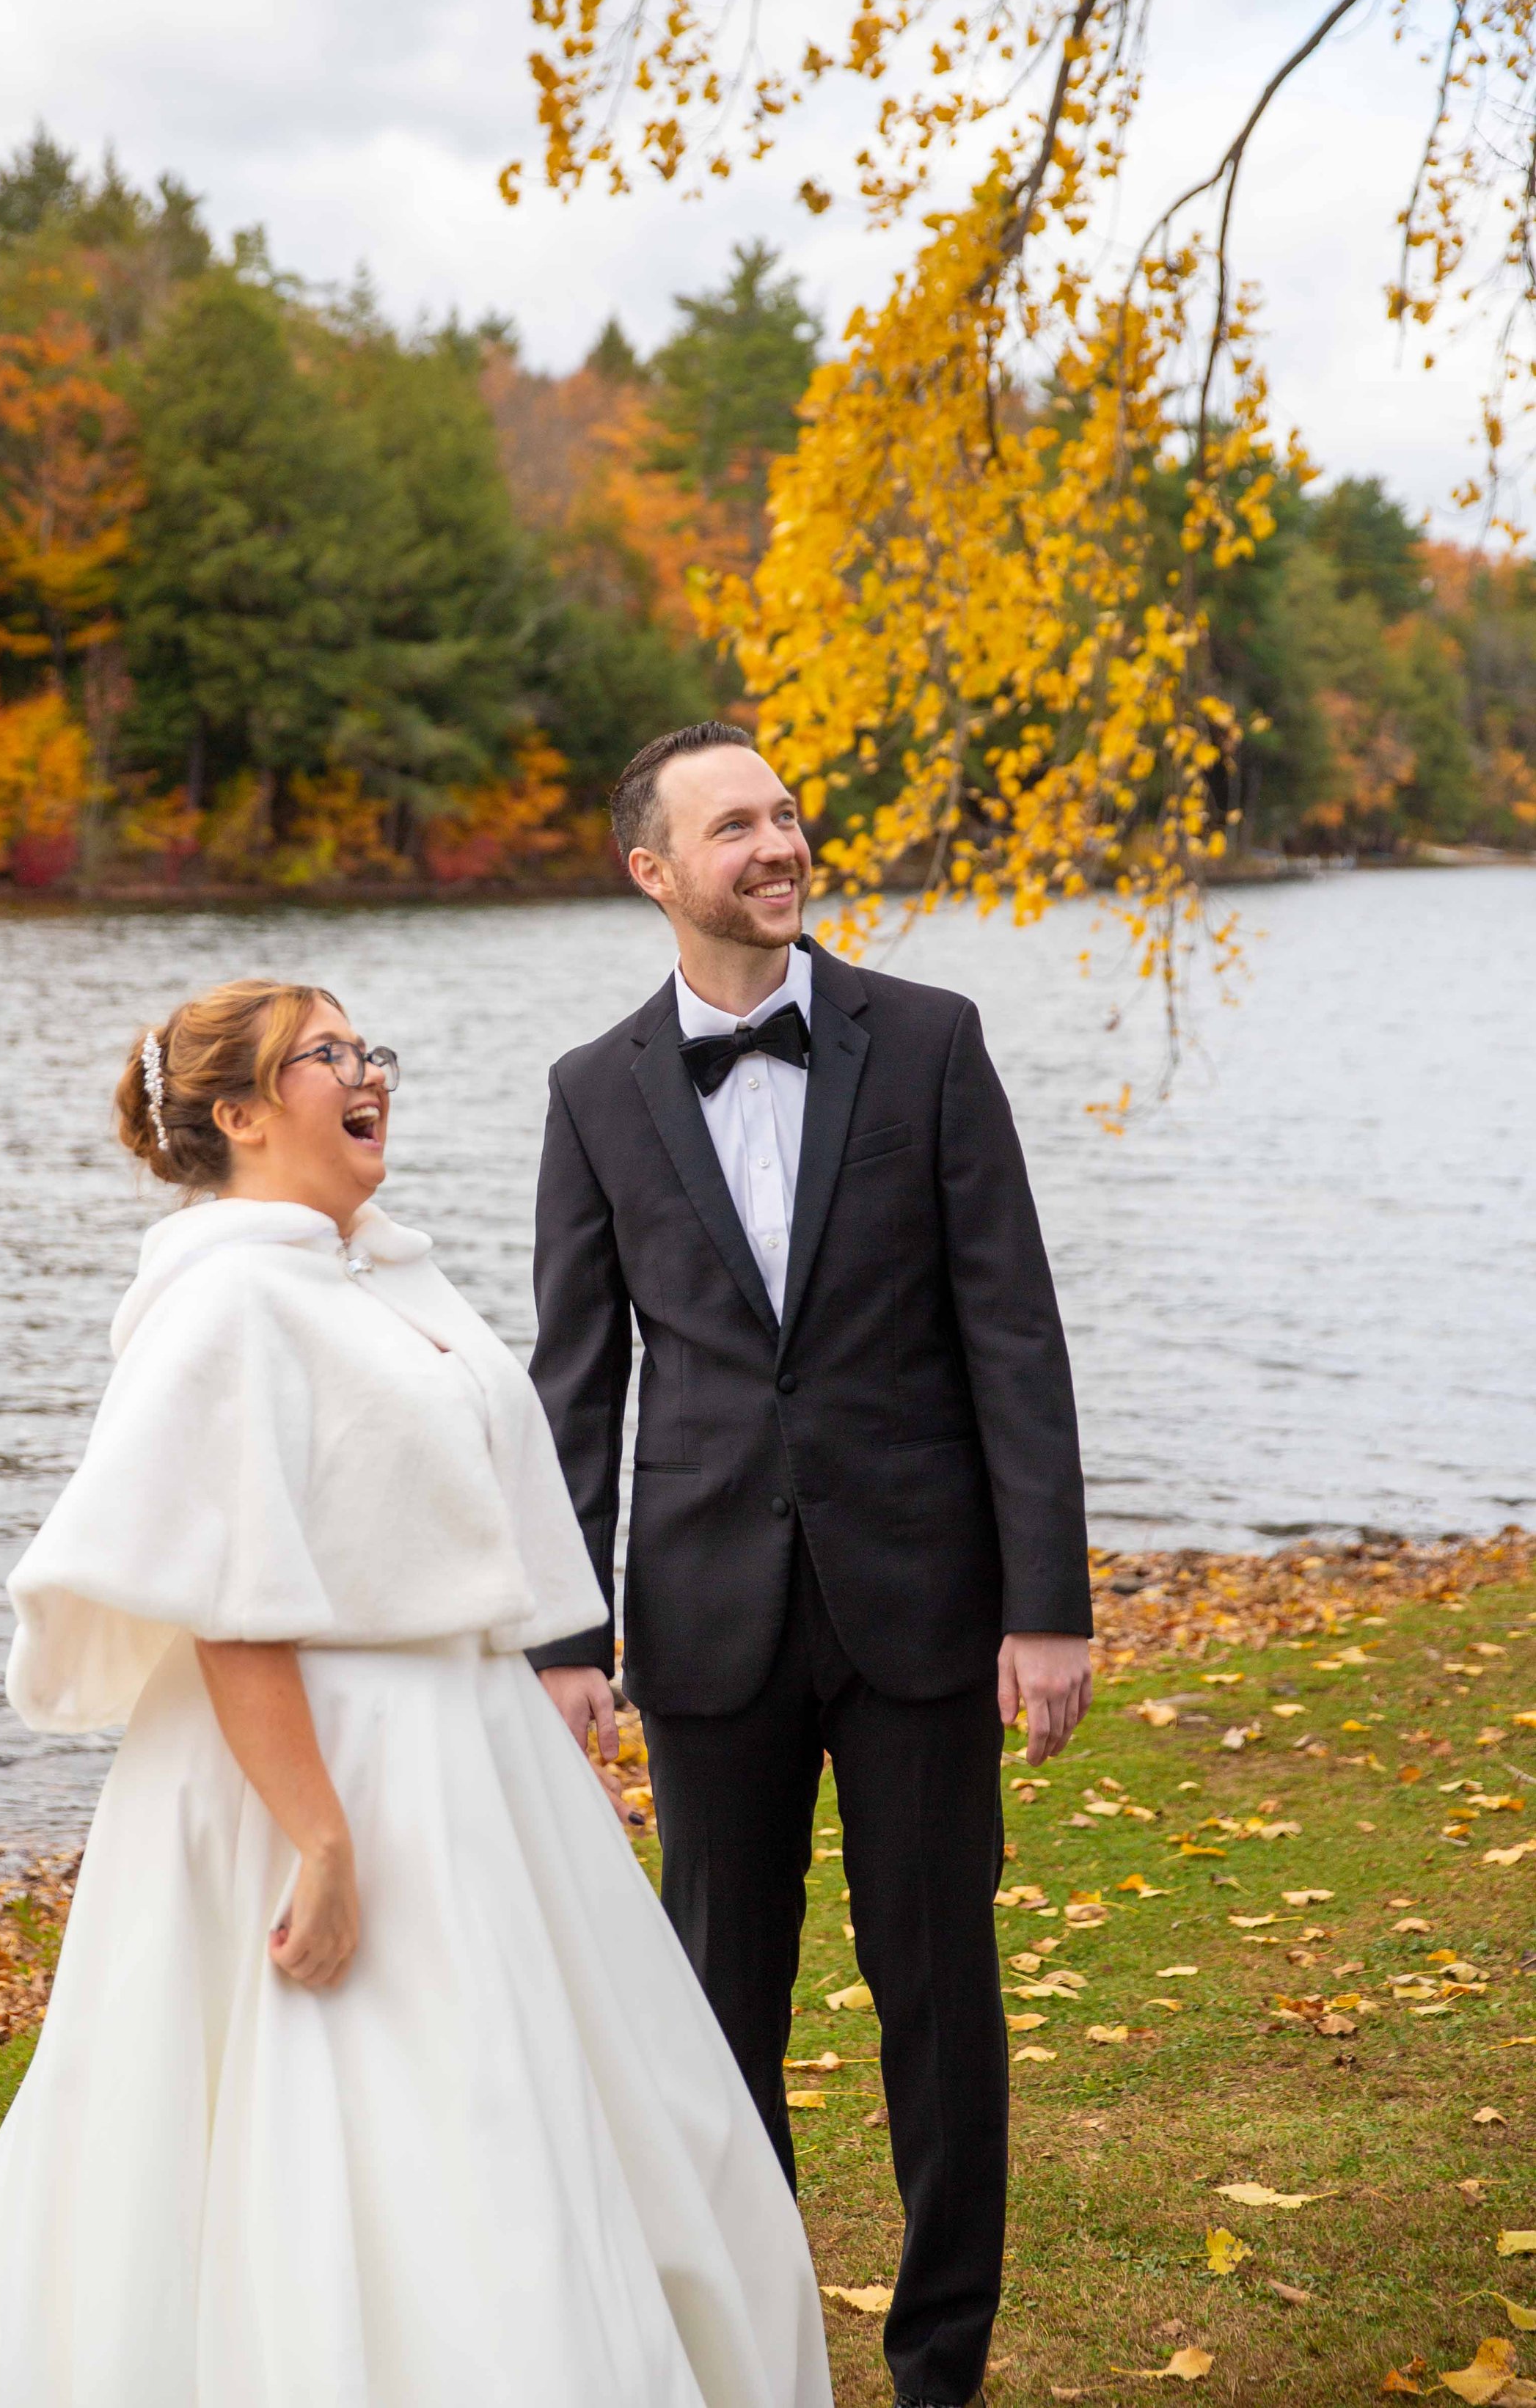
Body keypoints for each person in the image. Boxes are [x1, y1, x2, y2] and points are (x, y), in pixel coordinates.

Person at [0, 975, 830, 2408]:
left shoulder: (375, 1272)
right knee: (379, 2128)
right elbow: (227, 1610)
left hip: (464, 1752)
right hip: (322, 1773)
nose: (364, 1070)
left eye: (364, 1047)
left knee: (553, 2113)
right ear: (243, 1116)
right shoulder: (229, 1304)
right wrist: (321, 1843)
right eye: (321, 1056)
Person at [529, 725, 1094, 2408]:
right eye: (734, 827)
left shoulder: (925, 1043)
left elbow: (1013, 1336)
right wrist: (570, 1634)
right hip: (705, 1625)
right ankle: (760, 2353)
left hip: (922, 1607)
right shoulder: (590, 1090)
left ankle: (939, 2365)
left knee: (936, 1998)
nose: (776, 846)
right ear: (653, 872)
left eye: (783, 815)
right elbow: (577, 1383)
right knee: (717, 2017)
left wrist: (1044, 1605)